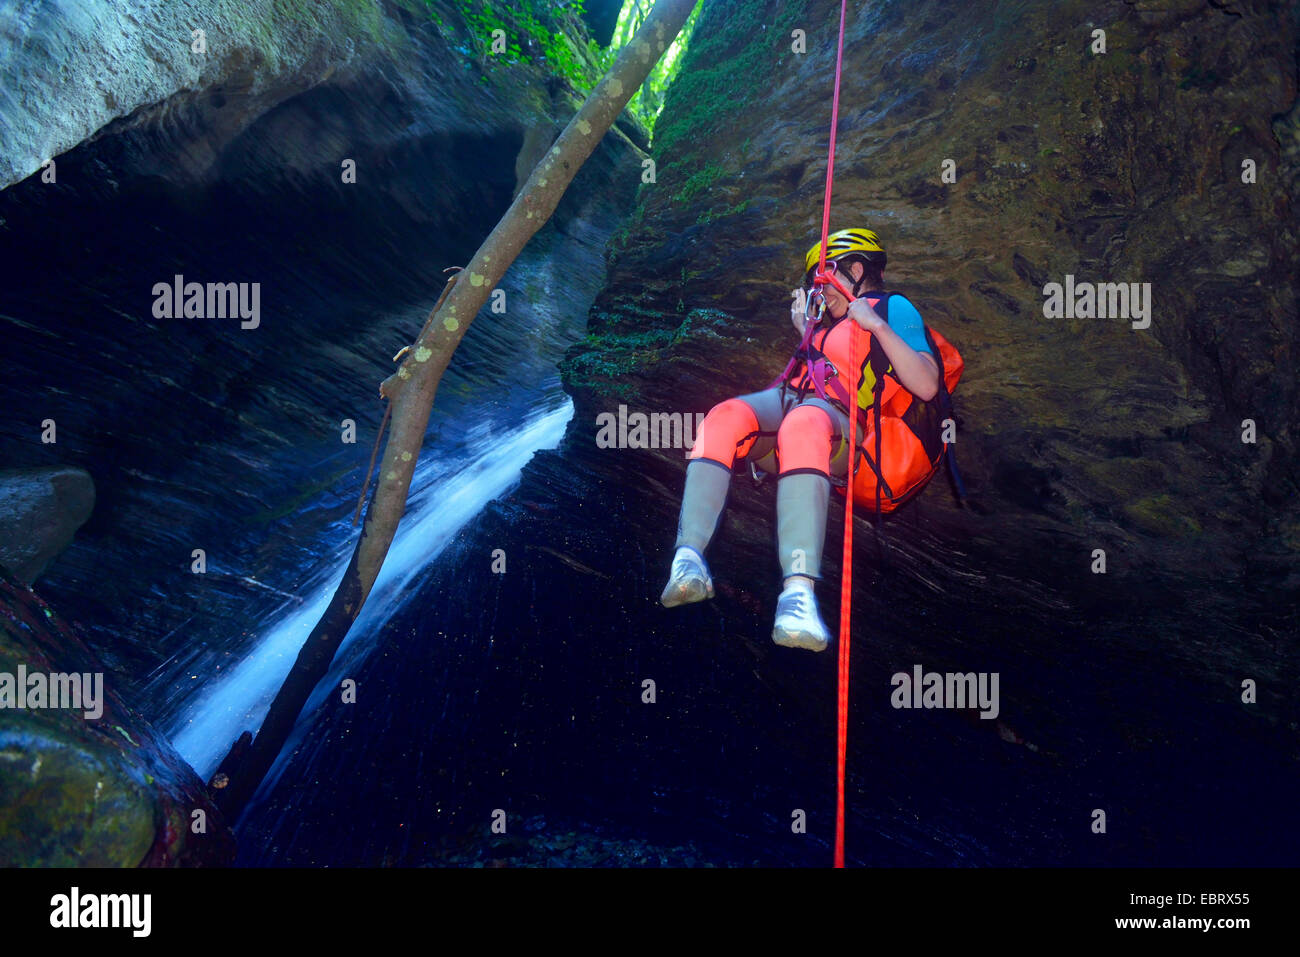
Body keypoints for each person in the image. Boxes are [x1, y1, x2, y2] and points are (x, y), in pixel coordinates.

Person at [659, 227, 953, 652]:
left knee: (803, 421)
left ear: (856, 269)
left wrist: (875, 325)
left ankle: (798, 594)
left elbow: (927, 384)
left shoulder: (893, 307)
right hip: (801, 413)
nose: (818, 288)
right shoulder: (824, 328)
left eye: (825, 275)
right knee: (725, 417)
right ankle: (687, 559)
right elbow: (804, 383)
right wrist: (805, 332)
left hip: (843, 430)